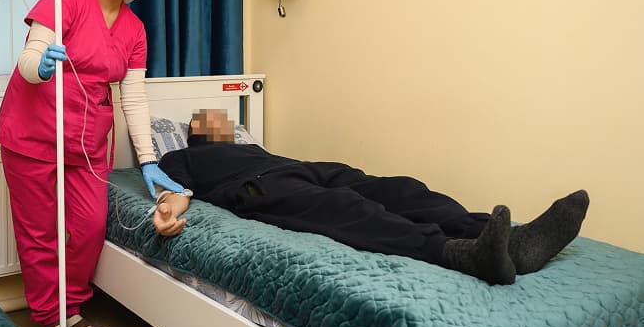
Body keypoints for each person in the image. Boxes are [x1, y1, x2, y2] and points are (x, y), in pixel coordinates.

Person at [0, 0, 184, 327]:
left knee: (89, 227)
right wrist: (41, 67)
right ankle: (51, 317)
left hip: (86, 141)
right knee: (40, 233)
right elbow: (29, 56)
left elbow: (133, 96)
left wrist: (148, 158)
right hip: (32, 133)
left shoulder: (135, 30)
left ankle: (72, 307)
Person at [152, 109, 590, 286]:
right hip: (258, 187)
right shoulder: (183, 156)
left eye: (225, 120)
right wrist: (168, 210)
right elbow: (175, 190)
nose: (223, 122)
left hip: (302, 167)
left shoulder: (251, 145)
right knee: (349, 211)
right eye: (211, 119)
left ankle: (510, 240)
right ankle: (461, 254)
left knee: (399, 189)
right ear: (197, 131)